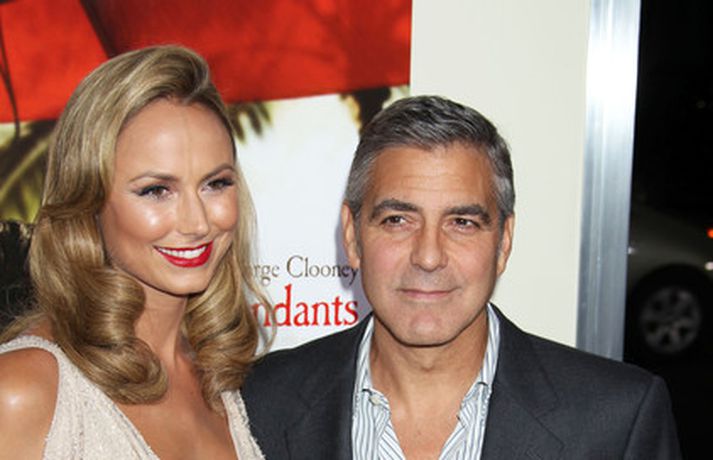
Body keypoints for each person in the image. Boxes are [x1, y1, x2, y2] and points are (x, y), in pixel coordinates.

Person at [241, 95, 682, 459]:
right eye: (397, 220)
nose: (429, 256)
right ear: (353, 236)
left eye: (462, 223)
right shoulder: (257, 402)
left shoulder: (617, 421)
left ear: (503, 241)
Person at [0, 46, 267, 459]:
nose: (197, 222)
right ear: (88, 200)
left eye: (215, 184)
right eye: (156, 190)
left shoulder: (222, 381)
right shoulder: (22, 391)